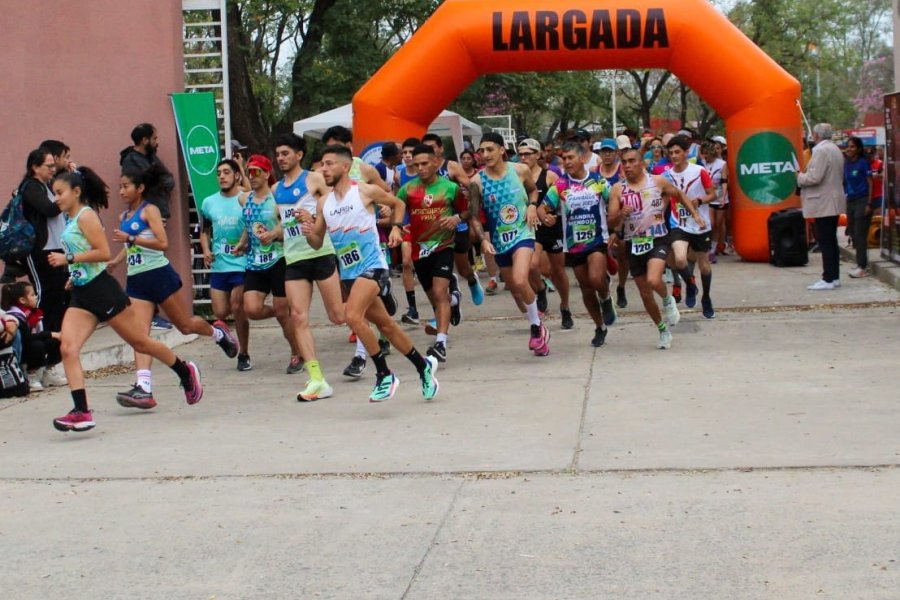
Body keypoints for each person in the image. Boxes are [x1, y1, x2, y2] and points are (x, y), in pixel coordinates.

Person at [46, 168, 202, 432]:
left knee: (141, 342)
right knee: (68, 349)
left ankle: (184, 371)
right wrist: (74, 273)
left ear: (76, 192)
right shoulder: (69, 219)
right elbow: (84, 254)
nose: (56, 198)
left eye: (59, 193)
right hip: (82, 293)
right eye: (54, 193)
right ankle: (81, 411)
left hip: (103, 291)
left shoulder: (87, 216)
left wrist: (68, 260)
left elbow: (103, 252)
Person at [299, 145, 439, 402]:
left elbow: (397, 203)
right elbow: (318, 243)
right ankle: (423, 367)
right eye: (321, 165)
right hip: (350, 274)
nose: (323, 169)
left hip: (374, 266)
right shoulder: (323, 203)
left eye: (329, 164)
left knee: (351, 316)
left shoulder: (364, 191)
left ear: (344, 166)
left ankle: (384, 374)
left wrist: (397, 228)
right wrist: (309, 232)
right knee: (386, 325)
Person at [107, 164, 238, 409]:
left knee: (186, 325)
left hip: (158, 274)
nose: (121, 191)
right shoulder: (123, 217)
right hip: (136, 280)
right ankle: (143, 388)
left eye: (126, 186)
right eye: (119, 187)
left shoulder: (150, 210)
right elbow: (130, 248)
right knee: (140, 336)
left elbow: (162, 243)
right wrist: (115, 263)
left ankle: (218, 333)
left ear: (140, 188)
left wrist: (132, 238)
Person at [272, 133, 345, 401]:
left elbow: (334, 203)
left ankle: (373, 328)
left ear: (299, 155)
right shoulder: (275, 189)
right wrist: (271, 234)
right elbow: (284, 222)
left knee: (338, 316)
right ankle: (316, 379)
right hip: (294, 259)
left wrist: (313, 217)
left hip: (321, 251)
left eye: (285, 154)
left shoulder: (313, 178)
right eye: (278, 154)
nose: (280, 159)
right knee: (298, 318)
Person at [607, 148, 704, 349]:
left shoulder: (657, 181)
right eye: (624, 162)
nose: (627, 166)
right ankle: (662, 329)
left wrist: (694, 214)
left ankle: (668, 300)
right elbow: (611, 218)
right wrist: (620, 215)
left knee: (653, 279)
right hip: (634, 242)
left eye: (632, 161)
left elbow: (679, 194)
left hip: (658, 238)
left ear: (641, 162)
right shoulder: (618, 189)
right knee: (644, 293)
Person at [468, 132, 550, 356]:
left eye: (490, 149)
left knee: (520, 278)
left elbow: (533, 190)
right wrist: (483, 240)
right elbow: (474, 216)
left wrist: (532, 206)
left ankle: (535, 328)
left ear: (502, 150)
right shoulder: (477, 182)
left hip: (523, 233)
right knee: (515, 290)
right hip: (498, 241)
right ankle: (539, 327)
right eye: (482, 151)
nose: (485, 155)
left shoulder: (519, 170)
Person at [397, 144, 471, 362]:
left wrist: (457, 218)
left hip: (443, 246)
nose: (419, 168)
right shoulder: (408, 189)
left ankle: (440, 344)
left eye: (424, 163)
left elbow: (468, 210)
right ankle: (454, 301)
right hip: (420, 251)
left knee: (439, 294)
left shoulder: (450, 188)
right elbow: (397, 208)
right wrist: (394, 224)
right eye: (416, 164)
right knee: (436, 299)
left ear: (436, 163)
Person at [539, 141, 614, 346]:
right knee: (586, 289)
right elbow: (543, 207)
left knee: (597, 278)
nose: (567, 161)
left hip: (597, 240)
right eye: (564, 158)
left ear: (582, 158)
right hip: (573, 245)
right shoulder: (560, 185)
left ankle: (606, 298)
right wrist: (545, 217)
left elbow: (614, 202)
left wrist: (617, 224)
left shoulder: (598, 181)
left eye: (571, 157)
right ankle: (600, 326)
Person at [238, 154, 303, 371]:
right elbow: (250, 226)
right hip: (254, 261)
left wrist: (274, 234)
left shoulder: (276, 199)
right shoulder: (243, 198)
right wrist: (242, 243)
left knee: (283, 313)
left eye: (256, 172)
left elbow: (290, 228)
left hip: (278, 259)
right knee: (252, 309)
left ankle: (297, 353)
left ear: (267, 174)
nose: (252, 176)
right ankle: (282, 313)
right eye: (249, 172)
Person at [422, 133, 485, 309]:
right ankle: (446, 306)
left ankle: (472, 280)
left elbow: (473, 188)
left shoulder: (451, 167)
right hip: (433, 227)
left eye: (432, 147)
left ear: (441, 148)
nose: (429, 151)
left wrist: (467, 205)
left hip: (456, 223)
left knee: (463, 267)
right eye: (425, 147)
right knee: (436, 268)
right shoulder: (421, 169)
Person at [200, 159, 252, 371]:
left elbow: (254, 223)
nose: (222, 176)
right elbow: (204, 230)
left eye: (227, 172)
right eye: (219, 173)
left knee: (238, 306)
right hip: (220, 264)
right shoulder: (209, 202)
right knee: (220, 312)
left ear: (236, 176)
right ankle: (230, 340)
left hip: (242, 262)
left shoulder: (245, 198)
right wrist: (205, 250)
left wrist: (244, 240)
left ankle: (244, 353)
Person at [518, 138, 572, 328]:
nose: (524, 157)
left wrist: (555, 215)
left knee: (558, 271)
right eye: (521, 154)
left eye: (528, 153)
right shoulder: (517, 176)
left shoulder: (550, 175)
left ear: (538, 155)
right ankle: (540, 289)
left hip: (551, 227)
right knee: (532, 266)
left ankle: (565, 306)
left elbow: (565, 198)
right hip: (532, 228)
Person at [19, 148, 69, 347]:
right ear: (35, 167)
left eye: (53, 165)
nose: (52, 169)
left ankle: (53, 354)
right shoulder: (30, 187)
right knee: (44, 296)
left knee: (57, 298)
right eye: (49, 166)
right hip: (40, 250)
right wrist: (66, 196)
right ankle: (36, 347)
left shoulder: (47, 185)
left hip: (57, 249)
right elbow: (49, 209)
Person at [665, 135, 717, 319]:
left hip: (700, 224)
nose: (674, 156)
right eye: (670, 153)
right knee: (680, 260)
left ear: (686, 153)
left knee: (704, 266)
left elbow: (713, 194)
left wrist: (700, 200)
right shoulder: (667, 175)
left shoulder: (699, 171)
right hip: (678, 223)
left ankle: (706, 298)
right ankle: (691, 285)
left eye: (677, 152)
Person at [797, 123, 845, 290]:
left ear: (816, 135)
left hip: (824, 202)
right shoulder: (835, 149)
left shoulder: (822, 151)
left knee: (826, 241)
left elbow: (814, 177)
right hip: (831, 200)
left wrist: (799, 176)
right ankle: (834, 277)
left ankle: (828, 278)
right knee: (830, 240)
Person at [0, 281, 63, 391]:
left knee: (56, 340)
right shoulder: (15, 316)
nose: (36, 297)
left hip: (29, 347)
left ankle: (47, 372)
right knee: (37, 345)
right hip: (20, 353)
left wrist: (53, 335)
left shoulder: (32, 313)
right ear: (22, 300)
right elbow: (26, 338)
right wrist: (49, 334)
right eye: (32, 295)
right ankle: (31, 375)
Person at [118, 123, 176, 221]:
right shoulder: (130, 161)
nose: (156, 142)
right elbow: (135, 188)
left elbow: (168, 181)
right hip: (142, 215)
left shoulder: (151, 157)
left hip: (158, 211)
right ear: (145, 141)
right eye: (154, 138)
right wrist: (155, 181)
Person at [398, 137, 423, 325]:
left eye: (410, 153)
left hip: (427, 225)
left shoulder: (428, 173)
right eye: (404, 153)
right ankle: (413, 309)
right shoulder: (399, 175)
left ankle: (450, 285)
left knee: (425, 266)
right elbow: (397, 200)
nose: (407, 156)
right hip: (407, 224)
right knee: (406, 262)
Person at [842, 136, 873, 278]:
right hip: (851, 201)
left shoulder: (863, 163)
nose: (849, 149)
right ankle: (860, 263)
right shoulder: (846, 164)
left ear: (859, 149)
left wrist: (868, 203)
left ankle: (862, 266)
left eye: (852, 146)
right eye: (848, 146)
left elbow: (870, 182)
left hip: (862, 200)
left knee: (860, 234)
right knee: (853, 232)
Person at [701, 141, 728, 263]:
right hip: (708, 197)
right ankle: (706, 247)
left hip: (720, 197)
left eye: (707, 153)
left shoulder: (722, 164)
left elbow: (724, 181)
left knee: (717, 224)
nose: (705, 156)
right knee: (710, 224)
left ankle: (713, 249)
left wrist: (723, 197)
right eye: (703, 153)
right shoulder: (702, 164)